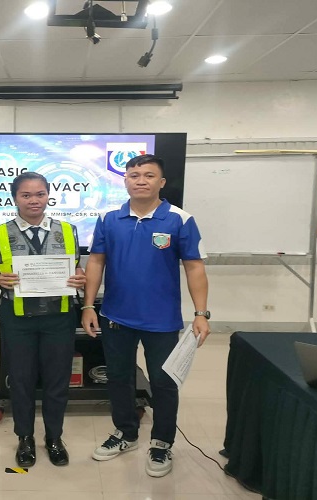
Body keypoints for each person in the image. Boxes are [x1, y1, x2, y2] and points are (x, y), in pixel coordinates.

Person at [81, 153, 210, 478]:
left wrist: (201, 313)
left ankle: (162, 443)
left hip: (161, 321)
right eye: (134, 175)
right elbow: (96, 261)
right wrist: (88, 305)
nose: (141, 181)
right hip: (116, 316)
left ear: (161, 182)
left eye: (149, 175)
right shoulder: (109, 218)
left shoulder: (180, 219)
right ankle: (126, 433)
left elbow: (194, 267)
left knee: (164, 383)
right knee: (118, 377)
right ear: (125, 181)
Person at [0, 171, 85, 468]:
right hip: (18, 319)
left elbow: (77, 269)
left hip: (59, 316)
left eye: (40, 194)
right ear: (15, 198)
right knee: (21, 380)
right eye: (26, 195)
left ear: (48, 196)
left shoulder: (68, 230)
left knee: (57, 380)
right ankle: (24, 438)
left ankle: (54, 438)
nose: (34, 200)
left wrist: (79, 278)